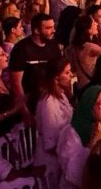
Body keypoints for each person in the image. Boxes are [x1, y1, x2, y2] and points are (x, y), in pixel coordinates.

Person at [57, 85, 101, 189]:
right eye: (100, 103)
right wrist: (93, 143)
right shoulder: (71, 133)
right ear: (89, 105)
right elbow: (72, 172)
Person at [35, 58, 75, 189]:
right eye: (67, 73)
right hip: (51, 165)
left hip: (62, 157)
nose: (71, 75)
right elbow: (50, 143)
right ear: (56, 79)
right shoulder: (49, 103)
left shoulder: (61, 95)